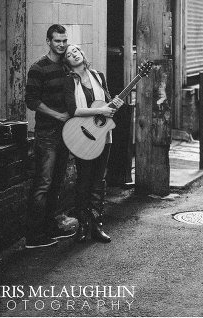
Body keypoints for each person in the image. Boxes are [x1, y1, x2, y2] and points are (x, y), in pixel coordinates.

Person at [63, 44, 123, 243]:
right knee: (84, 181)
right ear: (67, 61)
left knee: (99, 180)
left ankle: (97, 225)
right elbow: (73, 110)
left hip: (102, 135)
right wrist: (101, 111)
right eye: (69, 54)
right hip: (82, 136)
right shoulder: (69, 81)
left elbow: (107, 103)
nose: (74, 54)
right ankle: (83, 225)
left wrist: (114, 105)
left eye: (76, 51)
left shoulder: (98, 76)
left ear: (82, 53)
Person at [24, 24, 75, 248]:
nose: (62, 45)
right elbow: (31, 101)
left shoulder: (67, 67)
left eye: (64, 41)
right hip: (47, 134)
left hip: (67, 134)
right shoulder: (38, 68)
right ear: (48, 42)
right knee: (43, 184)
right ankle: (34, 236)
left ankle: (49, 227)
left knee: (56, 183)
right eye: (57, 41)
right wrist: (58, 115)